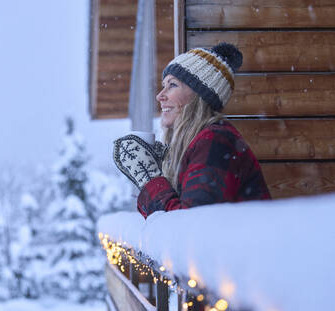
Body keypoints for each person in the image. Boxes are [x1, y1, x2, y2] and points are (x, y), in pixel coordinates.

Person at [113, 43, 271, 219]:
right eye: (163, 85)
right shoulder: (197, 143)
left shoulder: (215, 140)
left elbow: (187, 226)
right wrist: (161, 173)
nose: (160, 95)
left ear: (199, 96)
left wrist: (150, 178)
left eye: (172, 85)